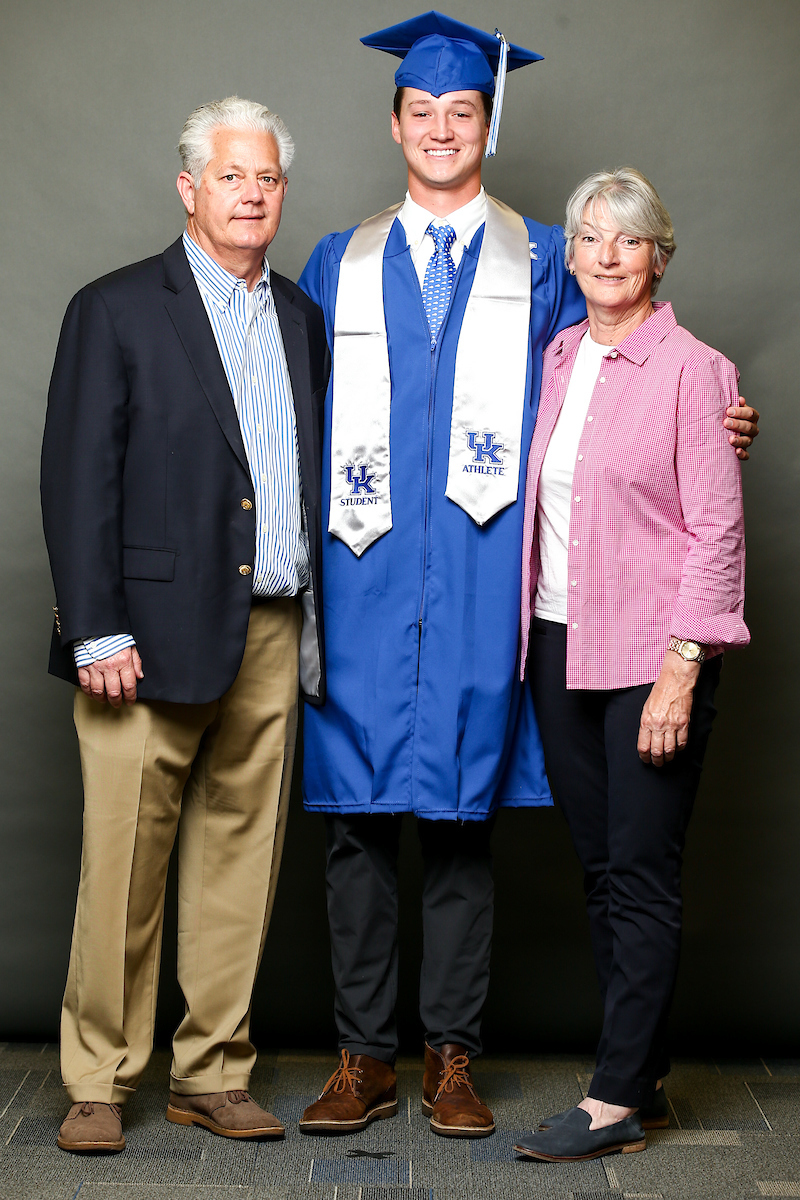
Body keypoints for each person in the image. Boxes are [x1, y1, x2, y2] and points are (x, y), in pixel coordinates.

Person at [295, 15, 758, 1140]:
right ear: (393, 124)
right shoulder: (335, 260)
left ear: (488, 123)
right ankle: (361, 1058)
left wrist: (718, 414)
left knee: (461, 819)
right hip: (361, 582)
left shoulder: (547, 258)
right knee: (357, 819)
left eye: (462, 111)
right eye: (421, 112)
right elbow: (291, 402)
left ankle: (451, 1055)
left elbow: (613, 369)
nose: (441, 129)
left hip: (480, 583)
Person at [40, 96, 328, 1154]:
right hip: (143, 638)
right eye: (230, 176)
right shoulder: (115, 307)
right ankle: (99, 1079)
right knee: (123, 861)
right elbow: (77, 475)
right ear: (188, 189)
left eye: (267, 177)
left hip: (271, 628)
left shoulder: (299, 315)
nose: (251, 194)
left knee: (241, 861)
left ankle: (212, 1071)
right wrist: (96, 629)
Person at [513, 168, 749, 1163]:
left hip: (654, 651)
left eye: (628, 238)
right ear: (569, 255)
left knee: (643, 874)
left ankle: (611, 1102)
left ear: (658, 255)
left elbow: (717, 532)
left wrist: (682, 668)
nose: (606, 255)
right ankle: (640, 1075)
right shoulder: (560, 354)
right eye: (589, 238)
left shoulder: (695, 370)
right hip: (559, 643)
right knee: (604, 872)